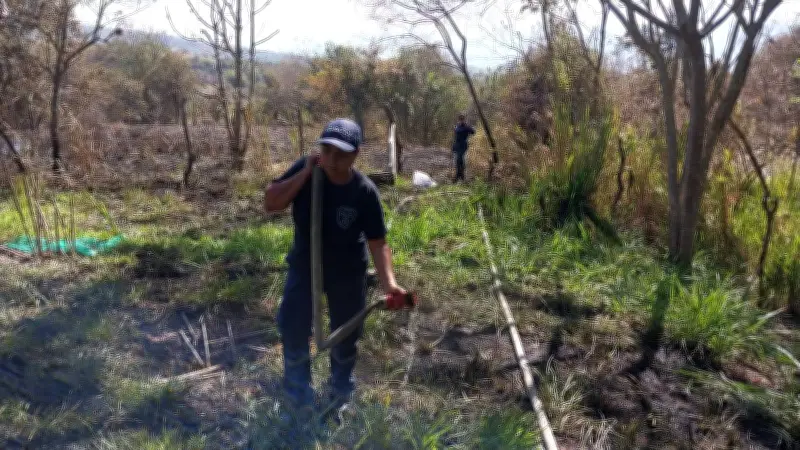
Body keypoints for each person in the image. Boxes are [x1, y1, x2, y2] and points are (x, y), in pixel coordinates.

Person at [264, 118, 407, 422]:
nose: (331, 159)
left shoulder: (364, 192)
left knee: (346, 335)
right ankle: (297, 393)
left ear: (356, 154)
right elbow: (271, 201)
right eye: (326, 150)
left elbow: (378, 243)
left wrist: (389, 284)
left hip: (348, 272)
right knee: (293, 326)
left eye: (341, 153)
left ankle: (339, 395)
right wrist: (304, 175)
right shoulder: (307, 169)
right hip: (305, 266)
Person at [451, 114, 475, 182]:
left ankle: (460, 177)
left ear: (464, 120)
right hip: (457, 146)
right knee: (457, 161)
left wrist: (468, 127)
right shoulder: (457, 127)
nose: (461, 121)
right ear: (459, 120)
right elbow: (456, 137)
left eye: (462, 119)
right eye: (460, 119)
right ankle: (459, 176)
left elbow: (473, 132)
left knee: (461, 161)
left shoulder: (466, 127)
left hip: (463, 146)